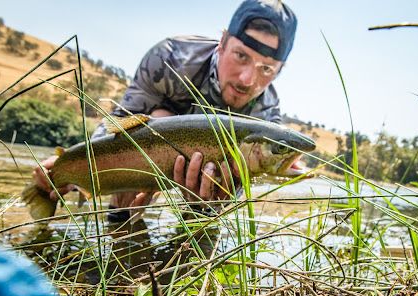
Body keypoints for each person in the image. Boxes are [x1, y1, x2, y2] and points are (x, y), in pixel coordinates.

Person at [32, 0, 297, 223]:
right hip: (149, 146)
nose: (248, 79)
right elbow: (121, 124)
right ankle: (120, 231)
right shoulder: (170, 59)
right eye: (241, 56)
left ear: (280, 70)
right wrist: (72, 167)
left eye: (267, 69)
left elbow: (246, 187)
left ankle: (191, 246)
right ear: (223, 43)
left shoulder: (267, 117)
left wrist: (219, 196)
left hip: (206, 187)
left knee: (212, 205)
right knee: (154, 124)